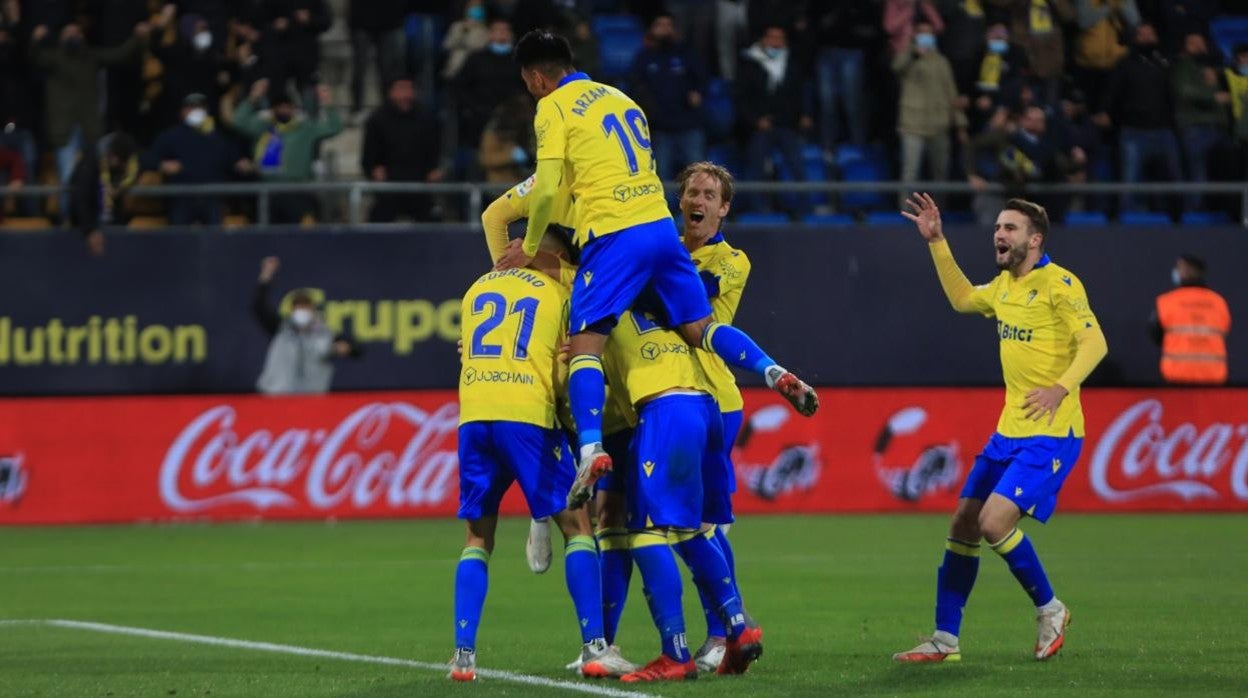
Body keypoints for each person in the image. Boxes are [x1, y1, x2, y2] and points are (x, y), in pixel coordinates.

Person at [496, 30, 817, 515]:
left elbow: (545, 192)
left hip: (613, 234)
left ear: (537, 77)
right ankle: (773, 370)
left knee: (586, 344)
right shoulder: (622, 98)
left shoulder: (554, 106)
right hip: (659, 228)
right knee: (700, 327)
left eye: (528, 82)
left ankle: (589, 451)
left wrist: (533, 245)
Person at [893, 194, 1108, 663]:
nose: (999, 234)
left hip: (1053, 430)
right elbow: (963, 298)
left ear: (1035, 239)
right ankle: (944, 641)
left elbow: (1095, 342)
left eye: (1010, 228)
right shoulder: (1005, 288)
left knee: (993, 522)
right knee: (964, 524)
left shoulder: (1060, 284)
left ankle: (1051, 608)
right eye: (997, 227)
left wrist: (1061, 387)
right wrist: (937, 242)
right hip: (1008, 431)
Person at [449, 227, 634, 682]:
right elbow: (558, 375)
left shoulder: (476, 288)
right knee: (577, 527)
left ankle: (463, 657)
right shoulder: (557, 294)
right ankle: (595, 647)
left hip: (473, 416)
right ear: (555, 255)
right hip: (527, 416)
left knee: (477, 539)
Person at [676, 161, 757, 673]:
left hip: (714, 401)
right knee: (696, 525)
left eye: (709, 194)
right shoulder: (668, 247)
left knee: (694, 526)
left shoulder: (732, 261)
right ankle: (731, 626)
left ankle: (723, 631)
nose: (697, 200)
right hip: (675, 399)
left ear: (724, 208)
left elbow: (687, 296)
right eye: (690, 192)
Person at [29, 20, 150, 219]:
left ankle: (98, 217)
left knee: (97, 176)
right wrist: (35, 39)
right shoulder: (53, 58)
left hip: (90, 128)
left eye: (76, 33)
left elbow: (120, 55)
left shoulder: (91, 56)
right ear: (60, 38)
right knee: (68, 179)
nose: (72, 36)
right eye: (67, 33)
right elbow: (33, 57)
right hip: (64, 129)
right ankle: (69, 220)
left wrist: (136, 38)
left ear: (82, 37)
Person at [232, 78, 343, 224]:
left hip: (297, 191)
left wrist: (327, 103)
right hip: (267, 192)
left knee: (298, 238)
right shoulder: (263, 127)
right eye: (279, 107)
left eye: (287, 107)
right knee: (268, 238)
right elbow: (238, 122)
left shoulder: (305, 128)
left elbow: (334, 127)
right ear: (272, 110)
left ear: (294, 109)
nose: (283, 110)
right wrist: (253, 97)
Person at [1099, 23, 1181, 214]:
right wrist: (1105, 111)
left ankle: (1183, 219)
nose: (1147, 38)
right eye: (1142, 34)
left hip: (1163, 130)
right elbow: (1112, 92)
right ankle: (1125, 221)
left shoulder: (1164, 62)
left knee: (1175, 178)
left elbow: (1172, 95)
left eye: (1150, 33)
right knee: (1129, 181)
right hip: (1133, 131)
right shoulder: (1126, 63)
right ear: (1135, 38)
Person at [735, 24, 814, 216]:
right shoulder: (749, 63)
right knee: (756, 168)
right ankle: (758, 210)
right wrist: (755, 120)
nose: (776, 42)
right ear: (763, 40)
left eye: (780, 38)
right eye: (772, 38)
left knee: (797, 166)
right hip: (761, 127)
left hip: (787, 125)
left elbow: (800, 92)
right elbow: (741, 98)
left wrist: (804, 114)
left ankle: (805, 210)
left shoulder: (792, 64)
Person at [253, 256, 358, 394]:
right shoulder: (281, 328)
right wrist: (266, 275)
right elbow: (259, 307)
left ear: (313, 311)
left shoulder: (325, 334)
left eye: (306, 307)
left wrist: (345, 348)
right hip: (275, 397)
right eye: (298, 307)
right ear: (291, 310)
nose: (302, 311)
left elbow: (357, 350)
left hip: (310, 402)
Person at [144, 93, 252, 225]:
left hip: (212, 199)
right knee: (179, 240)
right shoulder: (171, 136)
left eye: (199, 108)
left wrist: (241, 163)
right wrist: (162, 165)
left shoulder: (218, 137)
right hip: (182, 198)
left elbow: (234, 159)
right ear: (182, 112)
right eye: (191, 108)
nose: (195, 111)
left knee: (214, 241)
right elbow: (147, 159)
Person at [627, 13, 708, 182]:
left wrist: (697, 94)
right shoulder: (643, 58)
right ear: (651, 29)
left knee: (698, 176)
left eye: (668, 25)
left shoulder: (687, 54)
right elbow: (635, 88)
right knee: (660, 178)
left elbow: (703, 81)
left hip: (688, 125)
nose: (664, 29)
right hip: (659, 129)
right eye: (660, 25)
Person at [893, 20, 964, 197]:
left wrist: (961, 123)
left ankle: (938, 216)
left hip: (939, 124)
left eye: (929, 33)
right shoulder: (908, 58)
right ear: (915, 35)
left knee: (941, 175)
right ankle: (906, 216)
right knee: (910, 175)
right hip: (912, 124)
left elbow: (952, 94)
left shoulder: (942, 62)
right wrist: (913, 53)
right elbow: (896, 67)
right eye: (922, 32)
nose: (926, 36)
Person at [361, 76, 443, 222]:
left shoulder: (425, 118)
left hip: (420, 184)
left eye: (408, 88)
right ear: (391, 92)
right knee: (378, 218)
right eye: (400, 88)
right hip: (389, 185)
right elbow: (369, 155)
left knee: (433, 217)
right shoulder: (377, 119)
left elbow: (434, 149)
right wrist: (374, 168)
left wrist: (434, 169)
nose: (405, 94)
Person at [452, 18, 524, 179]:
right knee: (477, 170)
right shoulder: (476, 59)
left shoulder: (520, 61)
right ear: (490, 35)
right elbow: (459, 88)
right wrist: (473, 110)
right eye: (497, 31)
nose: (501, 35)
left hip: (512, 128)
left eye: (505, 31)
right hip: (479, 124)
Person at [1172, 32, 1230, 212]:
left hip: (1219, 128)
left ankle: (1224, 213)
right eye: (1192, 43)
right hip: (1195, 128)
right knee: (1198, 175)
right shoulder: (1181, 66)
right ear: (1185, 47)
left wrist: (1217, 77)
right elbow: (1184, 91)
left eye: (1201, 42)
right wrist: (1213, 97)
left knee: (1223, 174)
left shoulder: (1213, 67)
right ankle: (1195, 219)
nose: (1198, 46)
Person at [1150, 255, 1230, 385]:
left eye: (1179, 267)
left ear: (1188, 271)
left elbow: (1155, 334)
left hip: (1176, 379)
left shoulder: (1166, 302)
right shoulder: (1219, 303)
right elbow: (1223, 333)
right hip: (1213, 380)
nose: (1176, 271)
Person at [348, 0, 410, 116]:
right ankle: (357, 108)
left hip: (387, 20)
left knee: (386, 71)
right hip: (361, 19)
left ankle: (387, 108)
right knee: (360, 68)